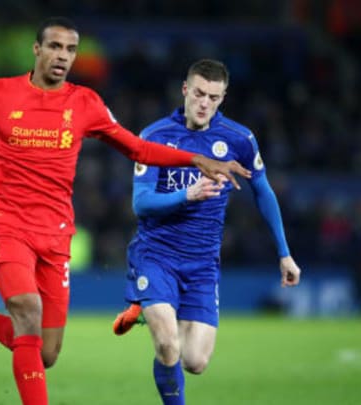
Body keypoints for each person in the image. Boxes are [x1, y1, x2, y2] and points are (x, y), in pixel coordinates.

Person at [0, 18, 251, 405]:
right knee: (26, 309)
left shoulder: (85, 103)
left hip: (55, 234)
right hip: (4, 224)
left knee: (45, 352)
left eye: (71, 50)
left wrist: (195, 158)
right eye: (55, 47)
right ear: (37, 50)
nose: (63, 56)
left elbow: (136, 149)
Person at [112, 59, 301, 405]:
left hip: (202, 263)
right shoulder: (154, 137)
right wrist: (188, 194)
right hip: (157, 255)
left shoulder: (239, 139)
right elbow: (141, 204)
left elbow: (263, 192)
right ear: (185, 89)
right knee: (167, 343)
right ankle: (152, 306)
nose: (204, 103)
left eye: (214, 97)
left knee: (195, 361)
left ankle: (147, 310)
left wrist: (284, 252)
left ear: (223, 97)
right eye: (199, 93)